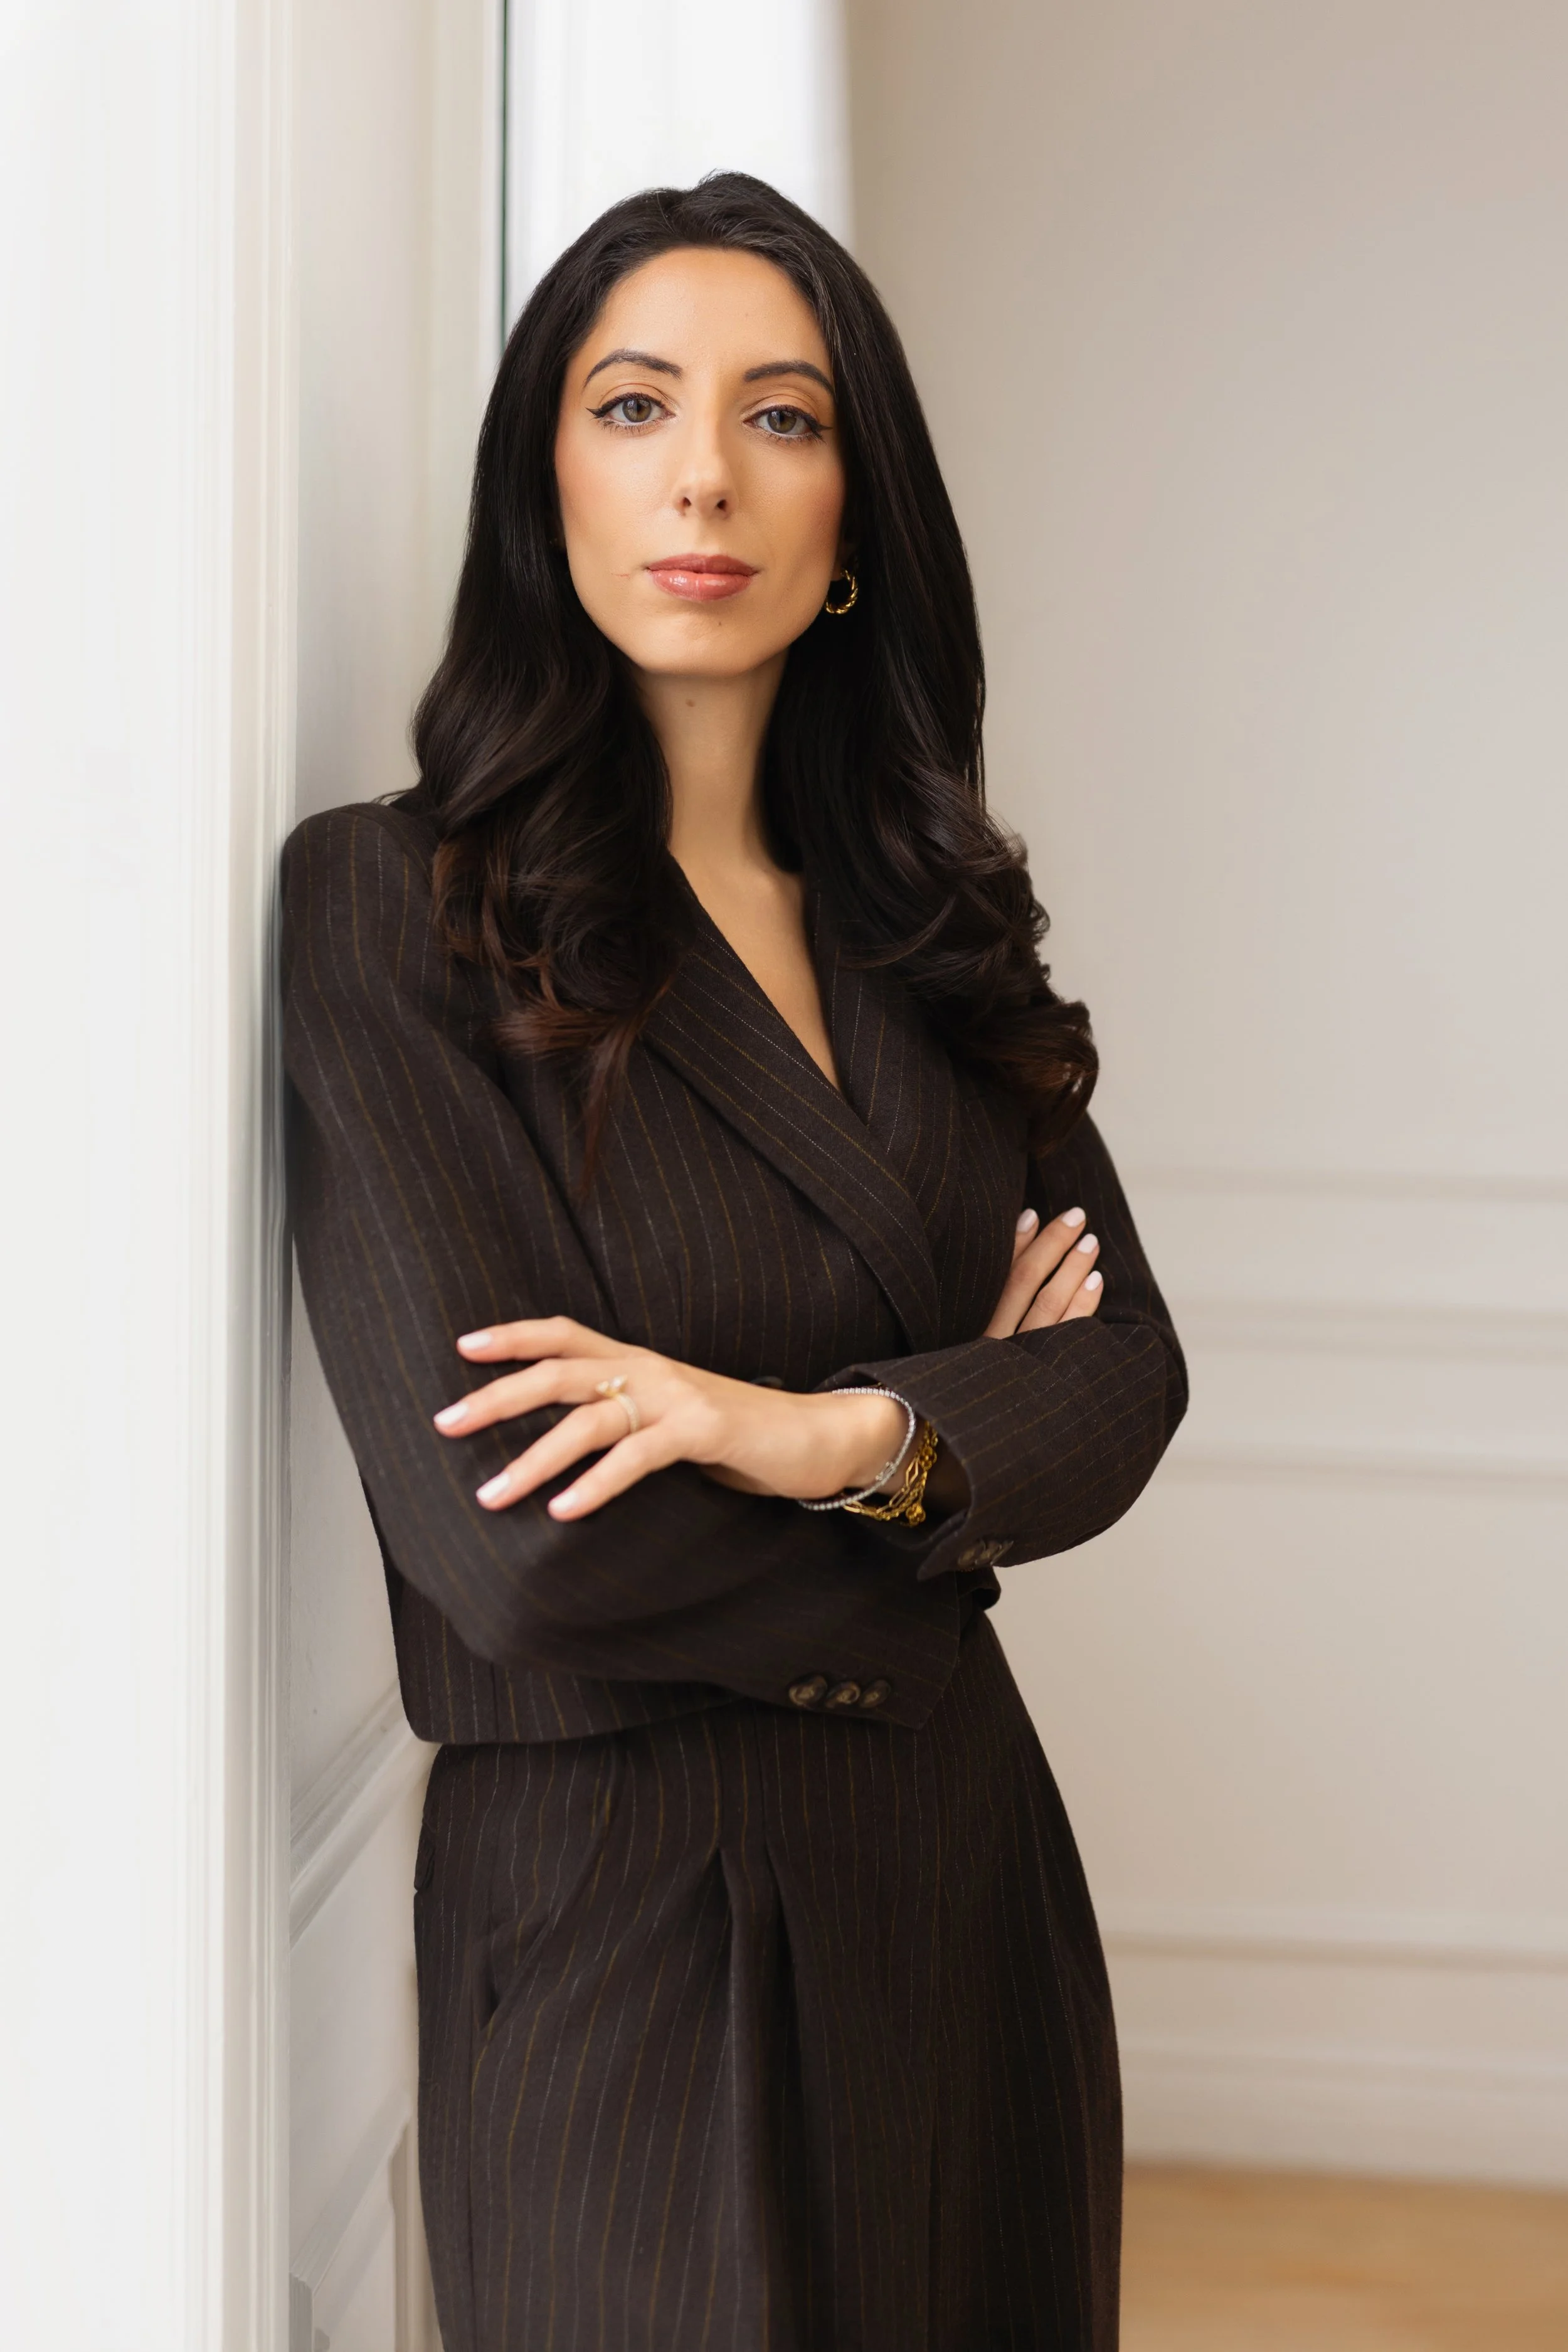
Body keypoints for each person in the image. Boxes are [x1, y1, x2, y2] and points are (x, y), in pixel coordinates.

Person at [282, 171, 1185, 2352]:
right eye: (631, 404)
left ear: (854, 502)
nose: (704, 470)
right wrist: (939, 1483)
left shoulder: (929, 924)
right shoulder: (393, 916)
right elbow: (518, 1561)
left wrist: (795, 1431)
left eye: (781, 415)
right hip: (625, 1920)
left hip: (960, 1881)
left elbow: (1127, 1379)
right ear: (546, 486)